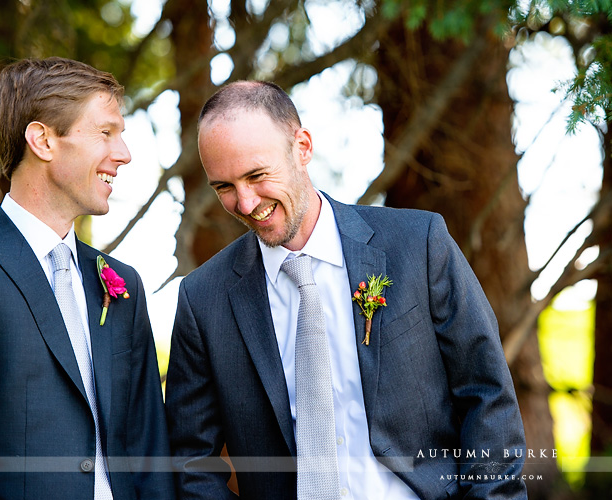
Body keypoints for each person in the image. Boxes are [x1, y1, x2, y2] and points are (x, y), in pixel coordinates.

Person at [165, 81, 528, 500]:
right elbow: (191, 459)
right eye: (224, 187)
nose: (245, 204)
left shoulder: (417, 243)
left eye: (256, 175)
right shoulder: (203, 298)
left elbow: (487, 394)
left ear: (302, 147)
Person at [0, 57, 174, 500]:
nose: (124, 153)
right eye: (106, 132)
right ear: (43, 140)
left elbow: (150, 451)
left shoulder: (123, 284)